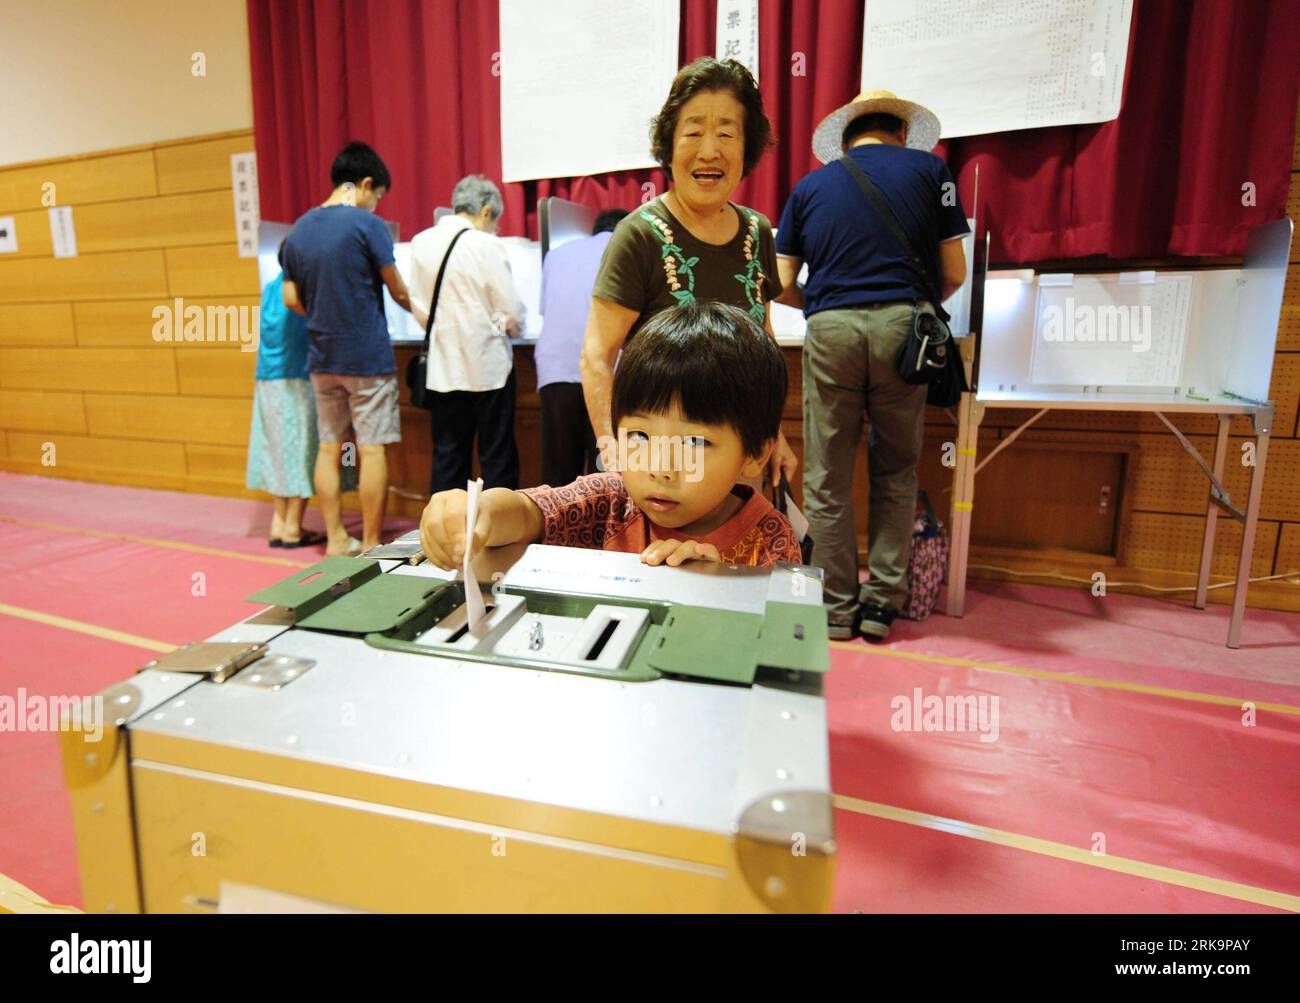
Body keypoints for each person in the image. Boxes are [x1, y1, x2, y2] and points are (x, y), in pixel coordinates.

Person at [775, 90, 969, 641]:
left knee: (826, 480)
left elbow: (782, 283)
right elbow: (952, 273)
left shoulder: (810, 187)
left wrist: (825, 305)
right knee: (896, 470)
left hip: (831, 329)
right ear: (902, 134)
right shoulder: (932, 171)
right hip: (902, 331)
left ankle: (836, 610)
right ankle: (881, 605)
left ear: (846, 139)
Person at [420, 302, 800, 570]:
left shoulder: (771, 541)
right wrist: (477, 512)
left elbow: (775, 661)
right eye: (639, 435)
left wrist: (717, 590)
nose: (659, 468)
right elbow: (528, 512)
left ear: (755, 453)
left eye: (694, 443)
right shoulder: (610, 502)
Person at [579, 57, 797, 485]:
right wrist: (615, 450)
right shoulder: (638, 234)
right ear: (670, 145)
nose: (709, 150)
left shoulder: (757, 230)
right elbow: (597, 355)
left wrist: (774, 434)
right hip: (664, 465)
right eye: (693, 132)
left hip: (740, 461)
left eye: (727, 133)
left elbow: (762, 345)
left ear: (747, 147)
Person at [281, 141, 411, 556]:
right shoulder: (366, 225)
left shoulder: (298, 229)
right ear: (365, 184)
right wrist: (420, 312)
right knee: (370, 449)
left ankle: (337, 538)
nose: (375, 205)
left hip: (322, 358)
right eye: (377, 196)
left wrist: (322, 313)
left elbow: (289, 298)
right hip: (366, 358)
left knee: (328, 448)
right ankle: (372, 542)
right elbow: (397, 288)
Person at [408, 175, 525, 494]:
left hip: (444, 369)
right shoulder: (486, 244)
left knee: (447, 455)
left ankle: (443, 535)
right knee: (496, 455)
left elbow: (417, 304)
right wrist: (511, 327)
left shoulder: (422, 241)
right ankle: (498, 534)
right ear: (486, 211)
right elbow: (509, 310)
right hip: (489, 367)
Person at [536, 208, 628, 486]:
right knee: (607, 467)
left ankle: (557, 529)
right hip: (607, 371)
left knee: (559, 472)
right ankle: (606, 530)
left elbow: (545, 310)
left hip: (555, 369)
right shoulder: (628, 249)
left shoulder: (557, 254)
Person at [245, 243, 326, 548]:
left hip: (266, 379)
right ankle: (293, 526)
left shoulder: (270, 287)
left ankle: (280, 523)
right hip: (296, 378)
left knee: (278, 452)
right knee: (303, 450)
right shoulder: (301, 290)